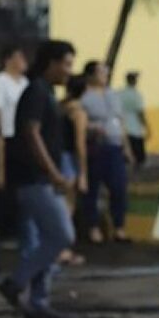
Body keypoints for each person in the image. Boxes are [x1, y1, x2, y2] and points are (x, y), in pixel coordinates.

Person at [0, 40, 78, 318]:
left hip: (41, 178)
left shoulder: (45, 92)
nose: (69, 71)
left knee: (46, 240)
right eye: (66, 64)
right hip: (34, 179)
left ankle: (38, 302)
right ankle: (16, 282)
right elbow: (32, 134)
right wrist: (53, 172)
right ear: (51, 63)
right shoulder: (37, 91)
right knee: (61, 236)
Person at [80, 61, 133, 243]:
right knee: (93, 189)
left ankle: (119, 227)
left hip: (115, 146)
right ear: (91, 75)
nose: (105, 75)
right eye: (101, 72)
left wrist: (126, 146)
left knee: (119, 187)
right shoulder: (84, 97)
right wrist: (91, 128)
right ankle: (93, 227)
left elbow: (121, 120)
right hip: (96, 147)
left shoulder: (113, 95)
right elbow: (78, 122)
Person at [0, 44, 29, 245]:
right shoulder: (0, 82)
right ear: (8, 60)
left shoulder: (25, 83)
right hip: (7, 137)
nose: (23, 61)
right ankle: (6, 231)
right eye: (19, 57)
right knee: (7, 187)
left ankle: (22, 229)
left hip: (23, 139)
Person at [57, 76, 90, 267]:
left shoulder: (60, 107)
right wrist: (83, 173)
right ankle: (63, 250)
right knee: (67, 207)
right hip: (68, 159)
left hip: (55, 157)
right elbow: (80, 144)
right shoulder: (78, 112)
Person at [119, 71, 149, 170]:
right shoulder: (137, 95)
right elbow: (140, 113)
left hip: (123, 129)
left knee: (125, 156)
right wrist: (147, 127)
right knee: (139, 158)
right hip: (135, 130)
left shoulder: (120, 93)